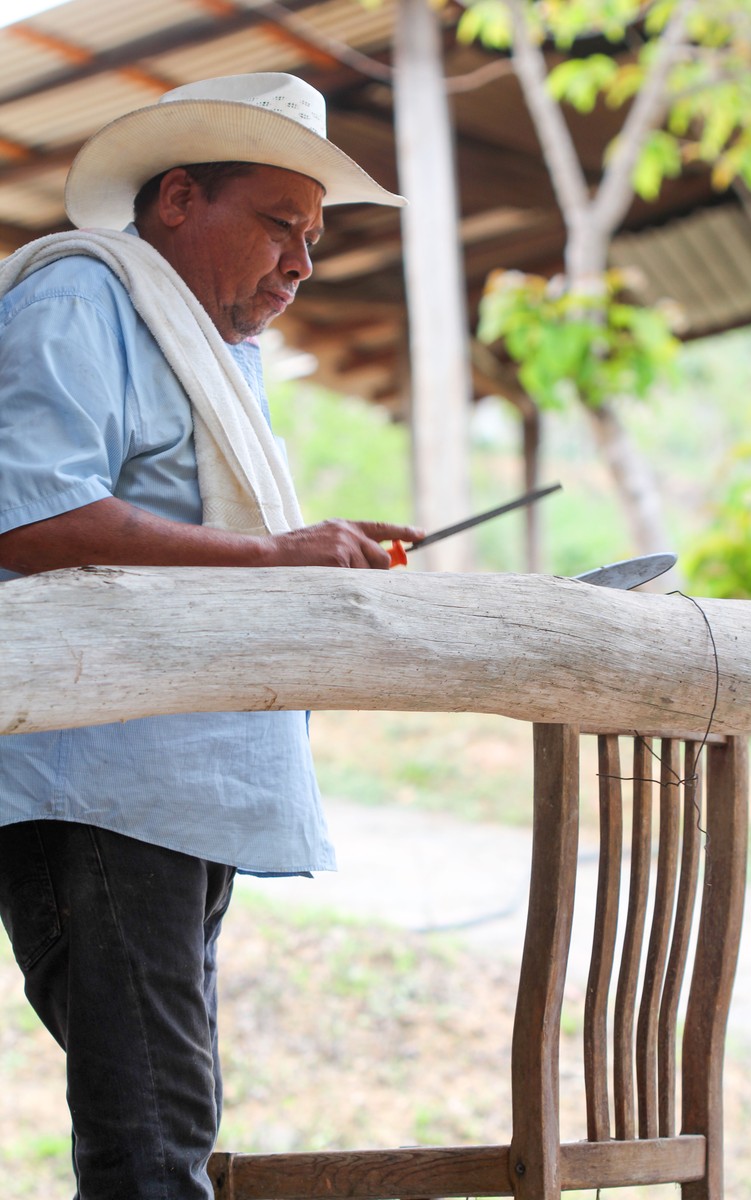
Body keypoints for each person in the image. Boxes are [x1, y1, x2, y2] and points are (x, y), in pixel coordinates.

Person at [0, 72, 422, 1200]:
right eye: (281, 224)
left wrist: (304, 553)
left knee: (156, 1110)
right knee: (154, 1135)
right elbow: (32, 514)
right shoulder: (83, 298)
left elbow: (196, 536)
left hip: (173, 775)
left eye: (313, 238)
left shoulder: (215, 352)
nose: (301, 263)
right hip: (94, 776)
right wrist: (276, 556)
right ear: (178, 197)